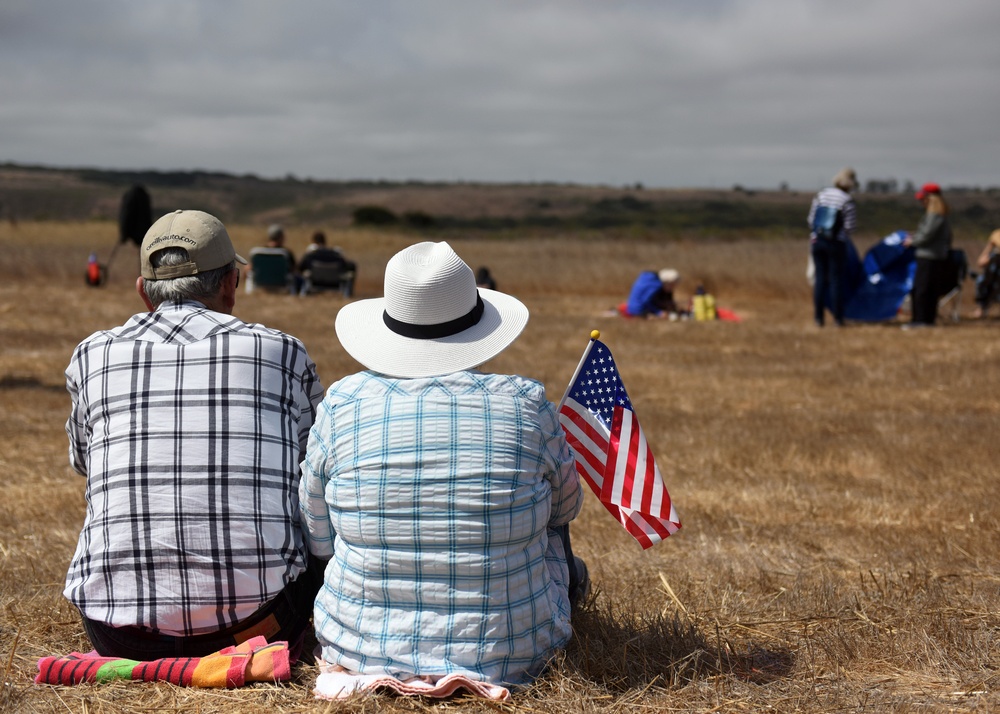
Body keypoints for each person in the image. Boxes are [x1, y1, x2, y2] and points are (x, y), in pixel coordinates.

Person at [299, 241, 588, 691]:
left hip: (358, 646)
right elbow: (567, 509)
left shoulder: (343, 404)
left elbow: (319, 534)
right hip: (516, 650)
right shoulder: (526, 403)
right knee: (550, 520)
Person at [64, 209, 325, 661]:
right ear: (230, 283)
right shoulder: (281, 351)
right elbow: (312, 465)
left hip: (119, 635)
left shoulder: (93, 355)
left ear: (144, 291)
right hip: (258, 628)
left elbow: (85, 462)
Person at [807, 167, 858, 327]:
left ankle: (818, 318)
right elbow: (850, 227)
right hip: (836, 244)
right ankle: (838, 319)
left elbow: (810, 220)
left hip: (817, 241)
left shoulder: (821, 195)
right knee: (836, 280)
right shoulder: (847, 200)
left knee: (820, 279)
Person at [903, 183, 954, 327]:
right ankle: (927, 320)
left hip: (929, 256)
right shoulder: (939, 216)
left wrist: (912, 241)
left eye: (923, 199)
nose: (921, 202)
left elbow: (926, 235)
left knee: (922, 289)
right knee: (929, 289)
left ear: (931, 199)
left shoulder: (935, 216)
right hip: (935, 256)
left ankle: (920, 320)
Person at [297, 231, 357, 296]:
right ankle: (349, 293)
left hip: (315, 282)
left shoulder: (310, 255)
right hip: (335, 283)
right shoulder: (336, 255)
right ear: (325, 241)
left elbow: (300, 268)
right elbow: (346, 266)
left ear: (313, 241)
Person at [971, 229, 1000, 319]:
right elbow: (981, 261)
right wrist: (988, 250)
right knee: (983, 280)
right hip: (991, 275)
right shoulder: (996, 235)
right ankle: (982, 308)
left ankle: (982, 308)